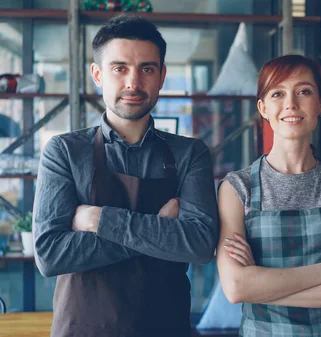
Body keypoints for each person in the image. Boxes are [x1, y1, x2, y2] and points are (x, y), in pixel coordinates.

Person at [33, 15, 219, 337]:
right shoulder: (64, 151)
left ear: (161, 76)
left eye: (147, 69)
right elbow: (50, 254)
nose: (133, 82)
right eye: (119, 68)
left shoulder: (190, 154)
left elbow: (200, 245)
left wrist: (100, 220)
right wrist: (158, 227)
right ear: (98, 75)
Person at [217, 54, 321, 337]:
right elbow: (236, 287)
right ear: (263, 108)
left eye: (304, 91)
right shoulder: (237, 188)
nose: (291, 103)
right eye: (278, 93)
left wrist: (262, 288)